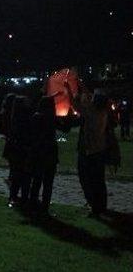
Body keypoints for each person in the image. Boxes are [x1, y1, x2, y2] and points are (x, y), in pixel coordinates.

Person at [67, 83, 115, 217]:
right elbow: (90, 98)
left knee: (86, 179)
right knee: (99, 180)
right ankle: (102, 206)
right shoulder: (103, 112)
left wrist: (68, 88)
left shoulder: (91, 112)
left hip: (88, 151)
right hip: (100, 150)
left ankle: (94, 206)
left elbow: (74, 103)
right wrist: (83, 88)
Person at [29, 95, 66, 216]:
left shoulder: (36, 117)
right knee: (48, 183)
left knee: (36, 180)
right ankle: (45, 207)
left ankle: (33, 205)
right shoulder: (51, 118)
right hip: (49, 152)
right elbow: (65, 128)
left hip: (38, 152)